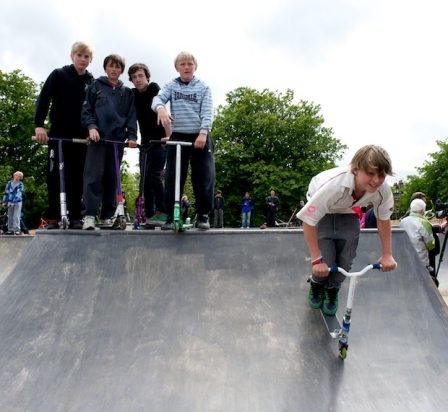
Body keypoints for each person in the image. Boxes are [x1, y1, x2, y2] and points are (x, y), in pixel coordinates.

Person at [297, 145, 397, 316]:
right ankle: (316, 283)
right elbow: (307, 221)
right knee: (325, 263)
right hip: (324, 210)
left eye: (381, 175)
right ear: (356, 170)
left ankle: (333, 288)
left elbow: (383, 218)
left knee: (345, 263)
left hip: (348, 211)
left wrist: (387, 254)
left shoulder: (383, 189)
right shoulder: (333, 186)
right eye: (371, 173)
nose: (376, 180)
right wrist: (316, 260)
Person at [34, 40, 95, 230]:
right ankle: (53, 216)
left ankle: (76, 215)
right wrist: (39, 125)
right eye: (79, 55)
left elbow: (94, 109)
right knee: (55, 175)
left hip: (80, 136)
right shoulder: (59, 75)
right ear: (72, 56)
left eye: (86, 57)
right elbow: (44, 98)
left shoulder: (91, 82)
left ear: (90, 60)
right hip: (59, 133)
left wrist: (90, 131)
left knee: (77, 176)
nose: (82, 59)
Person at [152, 51, 215, 231]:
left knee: (203, 175)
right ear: (177, 67)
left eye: (189, 64)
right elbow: (157, 98)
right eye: (183, 64)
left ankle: (203, 214)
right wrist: (161, 108)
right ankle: (172, 215)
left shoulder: (203, 87)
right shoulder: (171, 85)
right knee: (172, 176)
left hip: (199, 135)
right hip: (178, 135)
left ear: (194, 67)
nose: (186, 67)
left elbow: (208, 112)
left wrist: (203, 133)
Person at [81, 54, 138, 230]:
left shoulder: (127, 92)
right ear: (105, 68)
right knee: (93, 177)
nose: (114, 69)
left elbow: (131, 116)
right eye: (111, 66)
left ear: (121, 70)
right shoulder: (95, 86)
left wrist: (132, 136)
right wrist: (91, 127)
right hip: (98, 139)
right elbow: (86, 111)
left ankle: (107, 215)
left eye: (117, 67)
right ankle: (89, 215)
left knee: (112, 178)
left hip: (117, 141)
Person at [128, 63, 171, 227]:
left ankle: (164, 209)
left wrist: (168, 136)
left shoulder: (153, 88)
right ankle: (151, 214)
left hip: (160, 141)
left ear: (147, 77)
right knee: (145, 179)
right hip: (145, 143)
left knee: (154, 174)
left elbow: (164, 112)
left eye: (140, 76)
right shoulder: (132, 94)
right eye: (134, 77)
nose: (138, 80)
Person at [399, 199, 436, 273]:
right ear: (422, 210)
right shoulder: (424, 223)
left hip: (406, 259)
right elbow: (430, 244)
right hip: (421, 260)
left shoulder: (403, 222)